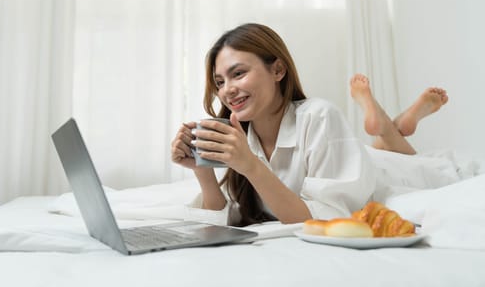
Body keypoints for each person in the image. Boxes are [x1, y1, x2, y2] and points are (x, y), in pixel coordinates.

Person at [171, 23, 452, 227]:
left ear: (278, 70)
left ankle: (392, 130)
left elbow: (323, 218)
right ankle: (393, 128)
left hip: (389, 172)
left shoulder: (318, 115)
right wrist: (203, 173)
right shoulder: (242, 136)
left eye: (239, 74)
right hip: (355, 158)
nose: (227, 90)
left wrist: (251, 165)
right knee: (375, 149)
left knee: (399, 159)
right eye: (220, 82)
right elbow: (230, 216)